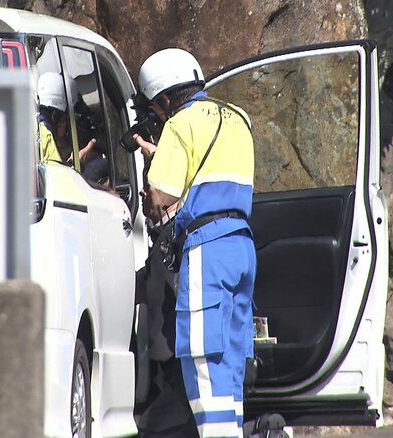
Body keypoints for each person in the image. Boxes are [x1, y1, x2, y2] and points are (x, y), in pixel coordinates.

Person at [134, 47, 256, 438]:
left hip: (208, 249)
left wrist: (153, 164)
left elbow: (160, 198)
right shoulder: (239, 118)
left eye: (156, 107)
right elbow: (210, 175)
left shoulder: (178, 125)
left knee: (203, 358)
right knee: (232, 359)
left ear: (165, 98)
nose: (158, 115)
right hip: (242, 245)